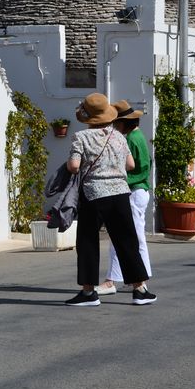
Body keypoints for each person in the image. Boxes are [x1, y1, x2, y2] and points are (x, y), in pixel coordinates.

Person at [65, 93, 156, 306]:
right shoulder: (118, 137)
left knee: (88, 242)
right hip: (120, 193)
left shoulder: (81, 138)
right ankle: (140, 289)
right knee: (127, 241)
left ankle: (88, 293)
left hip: (94, 194)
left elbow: (74, 166)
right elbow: (131, 165)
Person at [96, 100, 153, 294]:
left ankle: (113, 280)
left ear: (122, 123)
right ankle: (140, 278)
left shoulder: (129, 140)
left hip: (132, 190)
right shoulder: (138, 137)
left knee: (122, 237)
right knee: (134, 237)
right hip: (139, 190)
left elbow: (134, 167)